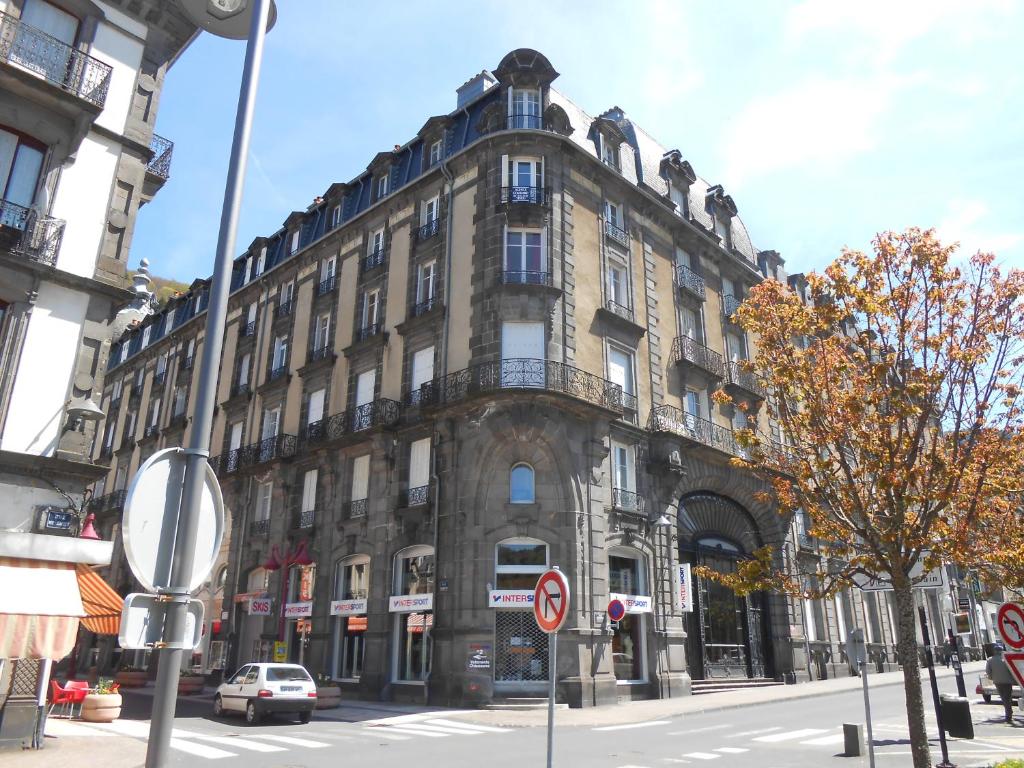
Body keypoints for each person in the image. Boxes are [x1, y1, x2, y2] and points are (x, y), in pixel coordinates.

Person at [986, 643, 1016, 723]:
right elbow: (1012, 670)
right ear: (1002, 651)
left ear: (994, 651)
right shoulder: (1006, 659)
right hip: (1008, 681)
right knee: (1008, 698)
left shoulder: (990, 660)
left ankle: (1009, 713)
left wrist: (992, 678)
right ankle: (1009, 714)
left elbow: (988, 672)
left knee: (1004, 698)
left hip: (997, 682)